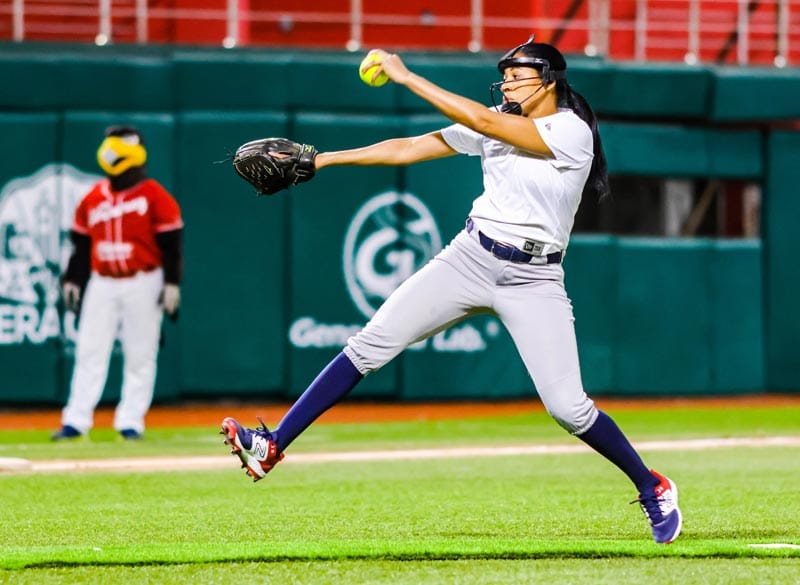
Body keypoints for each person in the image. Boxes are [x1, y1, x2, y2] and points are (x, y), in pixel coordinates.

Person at [221, 37, 683, 544]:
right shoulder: (496, 119)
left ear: (549, 80)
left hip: (535, 278)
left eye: (518, 73)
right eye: (503, 73)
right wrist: (324, 159)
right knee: (368, 345)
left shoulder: (570, 130)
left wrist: (407, 76)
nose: (506, 81)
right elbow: (409, 148)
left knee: (569, 408)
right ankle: (271, 445)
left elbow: (487, 125)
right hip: (470, 256)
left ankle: (652, 485)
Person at [52, 125, 184, 441]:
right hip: (103, 281)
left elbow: (171, 243)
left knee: (141, 351)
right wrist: (73, 279)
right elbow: (82, 247)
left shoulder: (154, 195)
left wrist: (171, 283)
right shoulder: (93, 198)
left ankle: (130, 421)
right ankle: (76, 420)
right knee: (89, 350)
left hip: (144, 279)